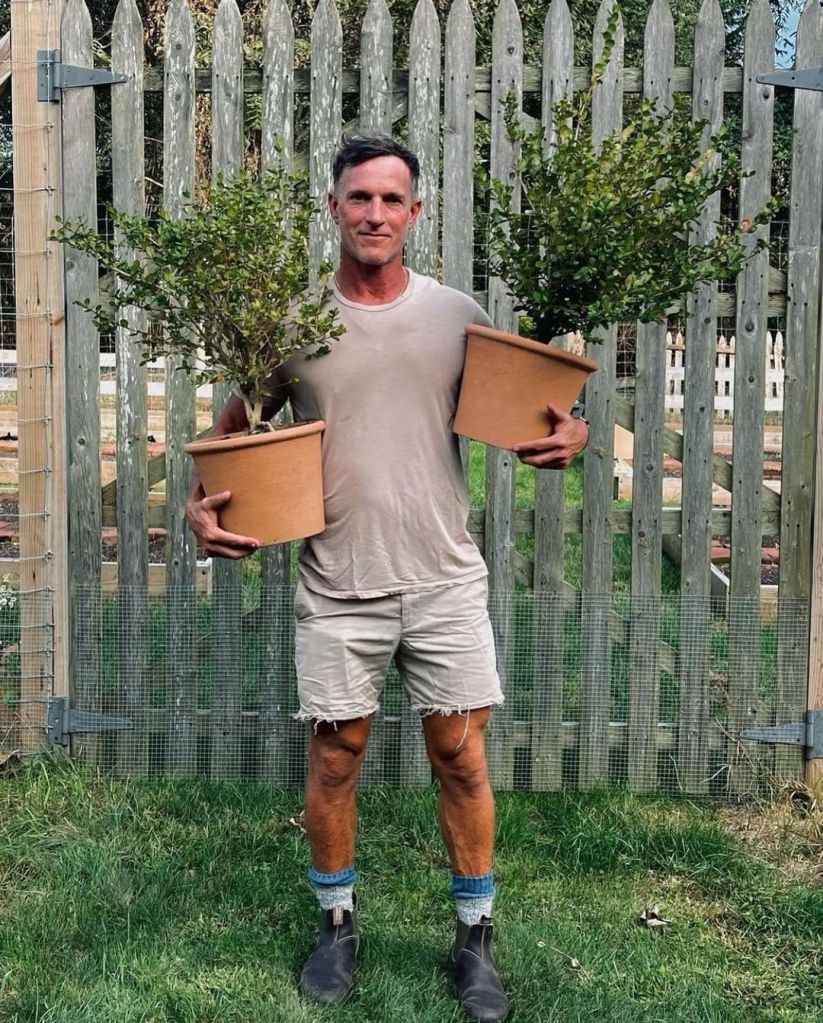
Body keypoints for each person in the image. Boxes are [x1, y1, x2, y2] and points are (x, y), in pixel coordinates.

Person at [185, 135, 589, 1023]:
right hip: (338, 580)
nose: (374, 214)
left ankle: (474, 937)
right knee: (335, 756)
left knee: (461, 757)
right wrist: (199, 507)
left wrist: (575, 433)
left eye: (390, 199)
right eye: (359, 197)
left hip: (443, 578)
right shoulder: (292, 320)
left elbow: (539, 416)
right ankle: (336, 923)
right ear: (333, 207)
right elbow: (232, 431)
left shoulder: (455, 316)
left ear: (414, 212)